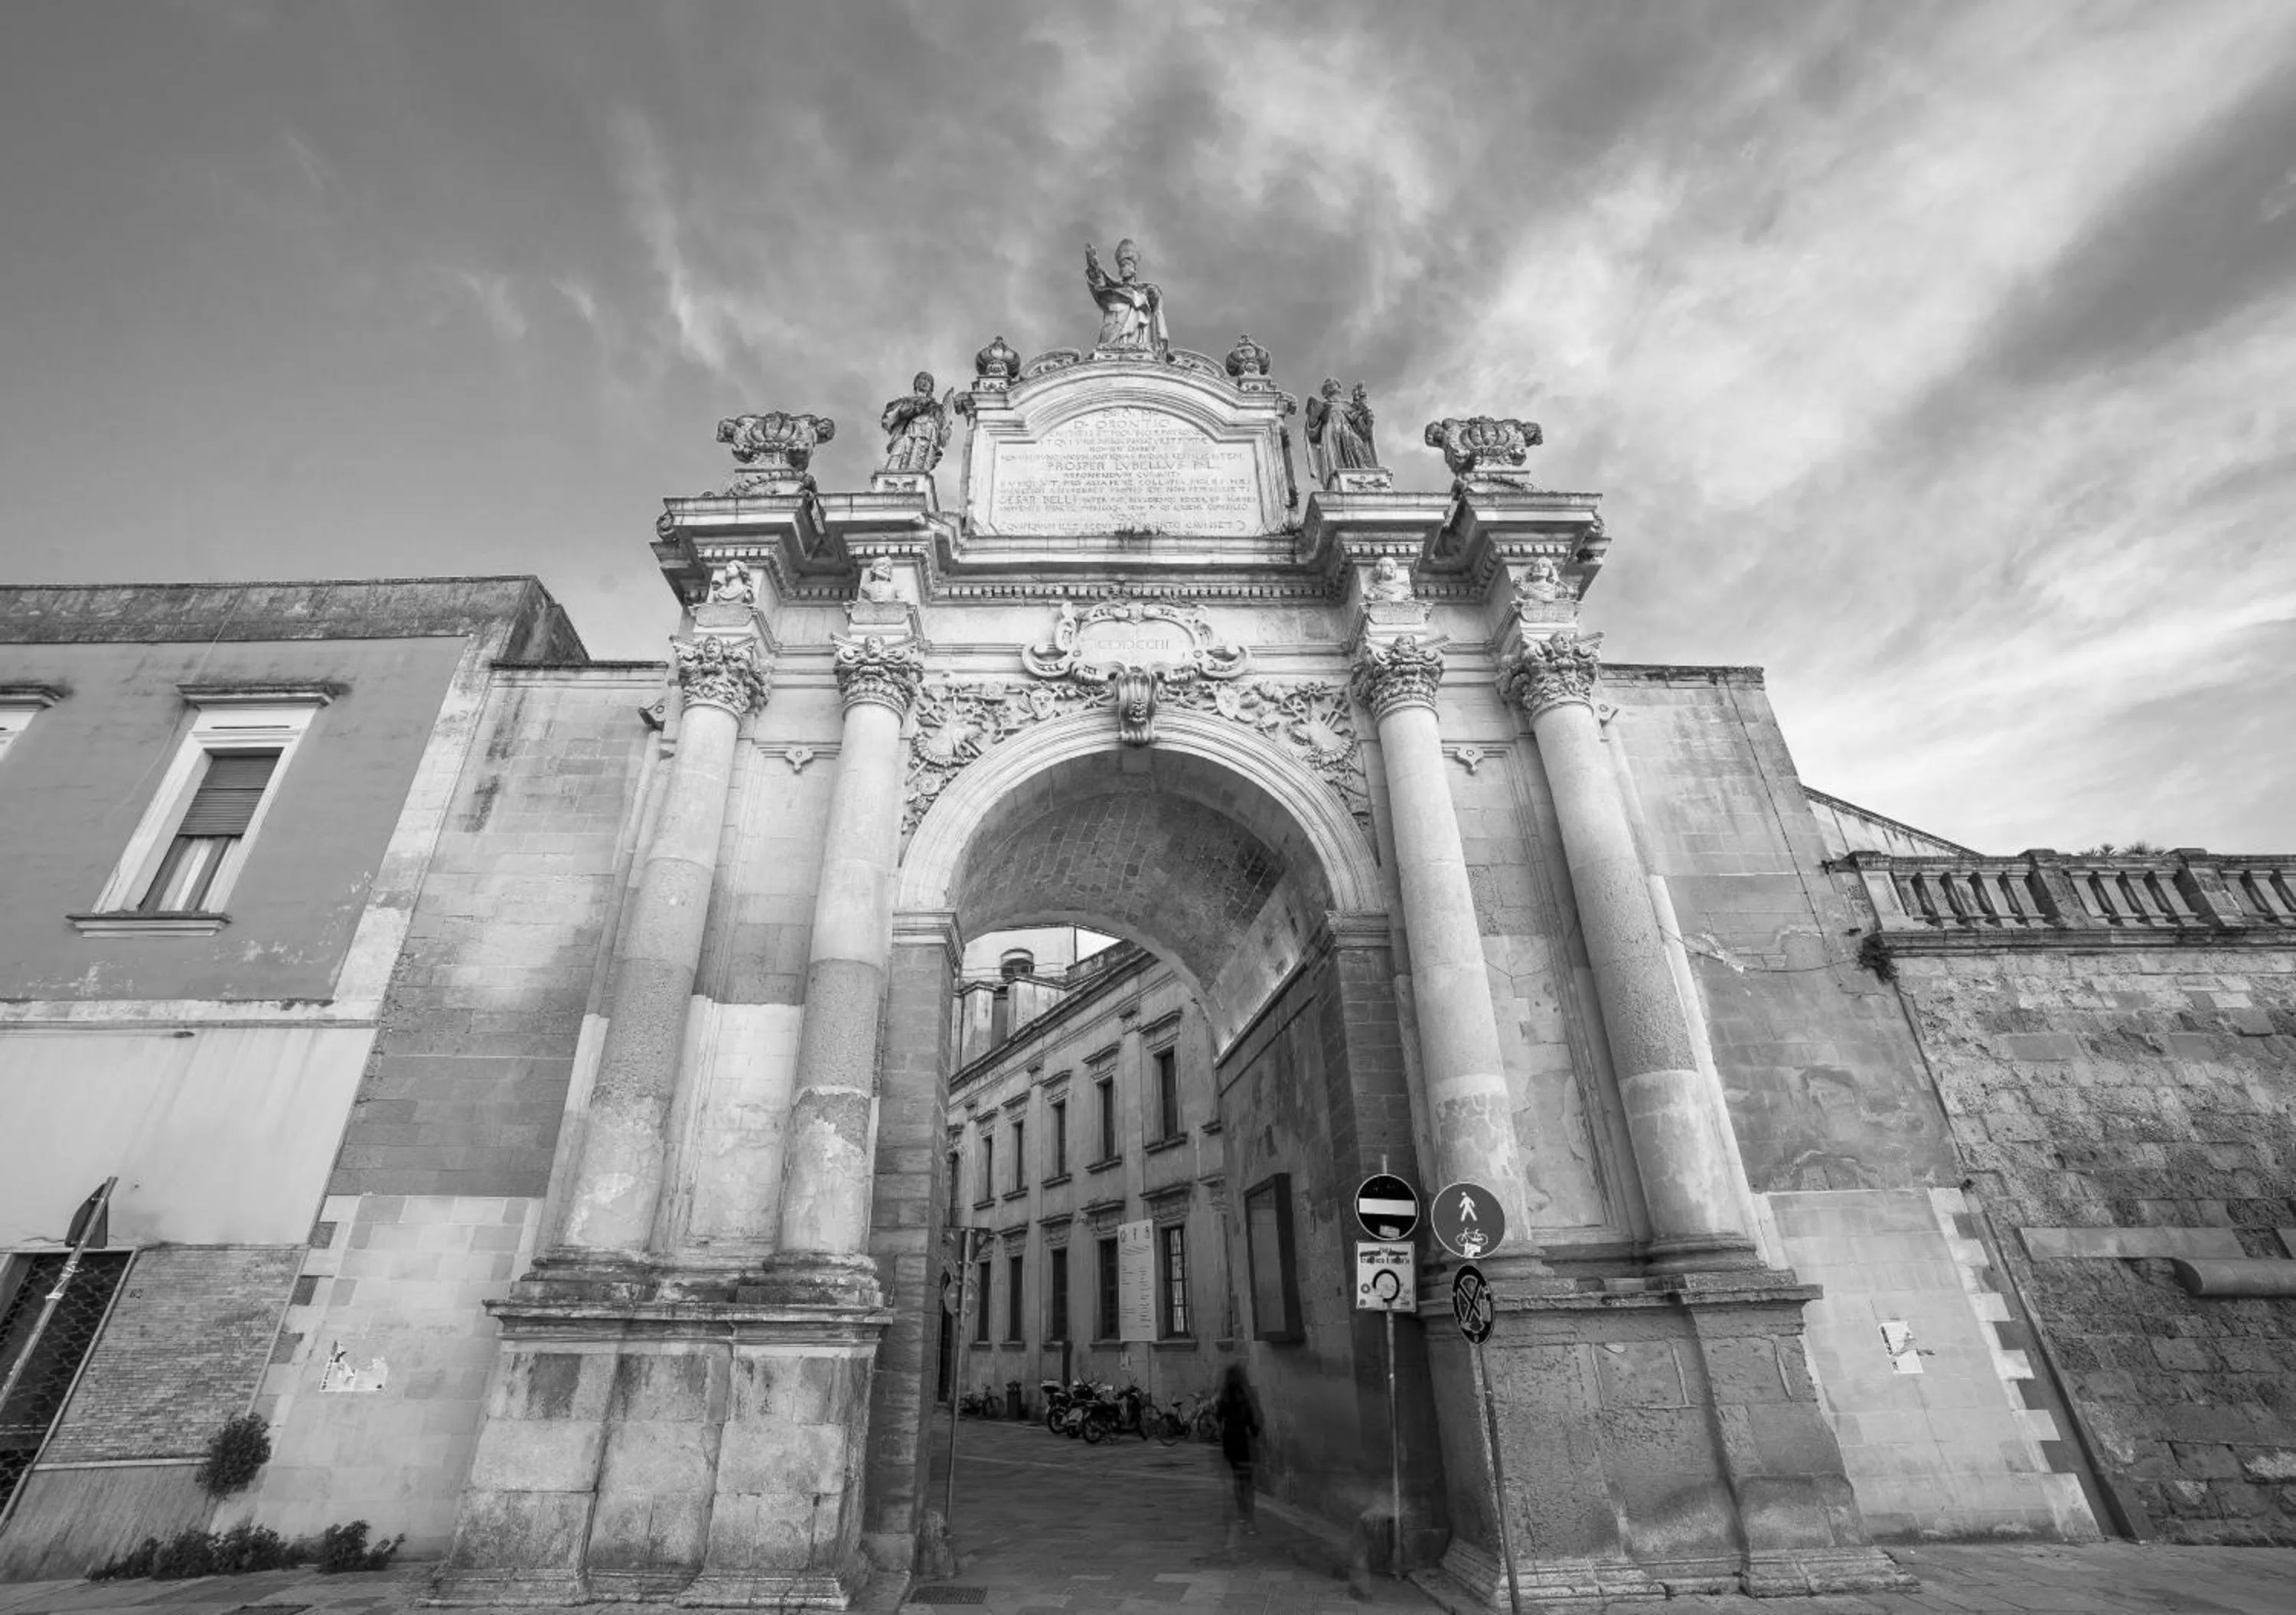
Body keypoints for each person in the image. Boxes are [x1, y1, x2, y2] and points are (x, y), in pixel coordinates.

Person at [1215, 1365, 1261, 1538]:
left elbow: (1218, 1419)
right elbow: (1252, 1426)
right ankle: (1249, 1520)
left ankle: (1242, 1515)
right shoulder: (1245, 1400)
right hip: (1242, 1443)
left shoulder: (1224, 1400)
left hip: (1229, 1443)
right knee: (1247, 1482)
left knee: (1237, 1479)